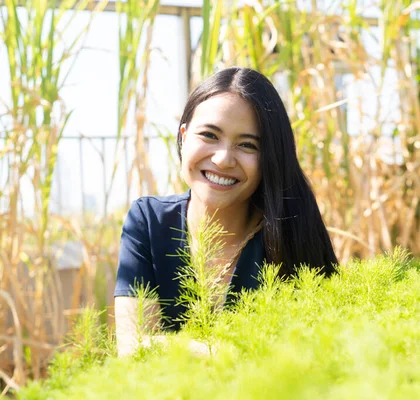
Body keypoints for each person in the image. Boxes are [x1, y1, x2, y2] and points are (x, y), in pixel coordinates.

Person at [114, 67, 338, 356]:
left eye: (247, 145)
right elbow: (133, 349)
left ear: (270, 156)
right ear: (183, 136)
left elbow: (315, 354)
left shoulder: (291, 230)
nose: (223, 159)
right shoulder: (148, 221)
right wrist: (228, 353)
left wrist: (175, 349)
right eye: (209, 135)